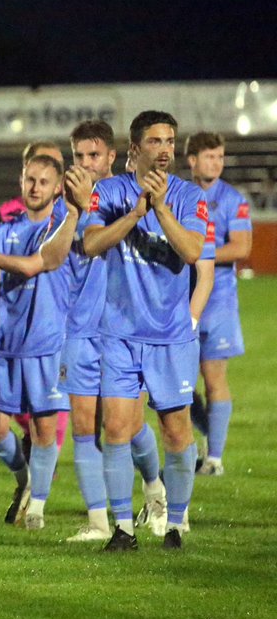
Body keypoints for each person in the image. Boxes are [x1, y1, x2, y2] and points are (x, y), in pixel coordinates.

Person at [84, 111, 208, 552]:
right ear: (134, 149)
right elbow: (92, 244)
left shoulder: (189, 196)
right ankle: (122, 527)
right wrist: (136, 212)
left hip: (170, 335)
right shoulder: (109, 192)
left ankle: (174, 524)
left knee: (176, 431)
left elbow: (192, 251)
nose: (165, 149)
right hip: (118, 332)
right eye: (155, 141)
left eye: (170, 140)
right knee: (116, 428)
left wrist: (159, 209)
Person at [0, 155, 81, 531]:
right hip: (7, 344)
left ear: (57, 187)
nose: (35, 187)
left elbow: (36, 264)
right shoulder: (6, 229)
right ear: (21, 182)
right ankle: (26, 480)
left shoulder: (64, 227)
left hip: (48, 345)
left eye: (43, 181)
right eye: (29, 180)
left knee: (44, 429)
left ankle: (37, 505)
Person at [185, 132, 251, 476]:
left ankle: (214, 459)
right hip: (182, 301)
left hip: (219, 301)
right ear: (192, 160)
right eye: (210, 157)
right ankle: (208, 436)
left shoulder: (232, 199)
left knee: (214, 379)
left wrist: (198, 255)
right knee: (179, 382)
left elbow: (241, 247)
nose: (217, 163)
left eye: (221, 157)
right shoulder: (180, 195)